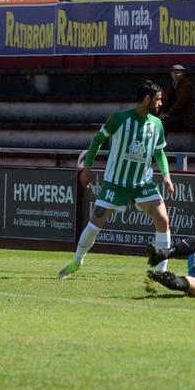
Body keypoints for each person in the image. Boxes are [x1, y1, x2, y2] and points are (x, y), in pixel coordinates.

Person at [58, 80, 174, 279]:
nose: (160, 104)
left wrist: (166, 176)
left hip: (142, 184)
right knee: (94, 226)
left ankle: (162, 272)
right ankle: (77, 261)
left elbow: (159, 152)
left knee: (162, 220)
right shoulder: (119, 119)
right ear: (147, 99)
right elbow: (98, 140)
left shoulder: (157, 124)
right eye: (158, 100)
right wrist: (87, 169)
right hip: (115, 183)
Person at [160, 64, 195, 131]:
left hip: (183, 116)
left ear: (183, 74)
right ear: (171, 74)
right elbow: (165, 99)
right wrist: (162, 112)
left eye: (178, 73)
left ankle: (161, 141)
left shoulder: (187, 85)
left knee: (164, 122)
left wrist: (168, 114)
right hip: (172, 114)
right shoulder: (172, 84)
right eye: (174, 72)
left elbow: (180, 102)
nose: (176, 75)